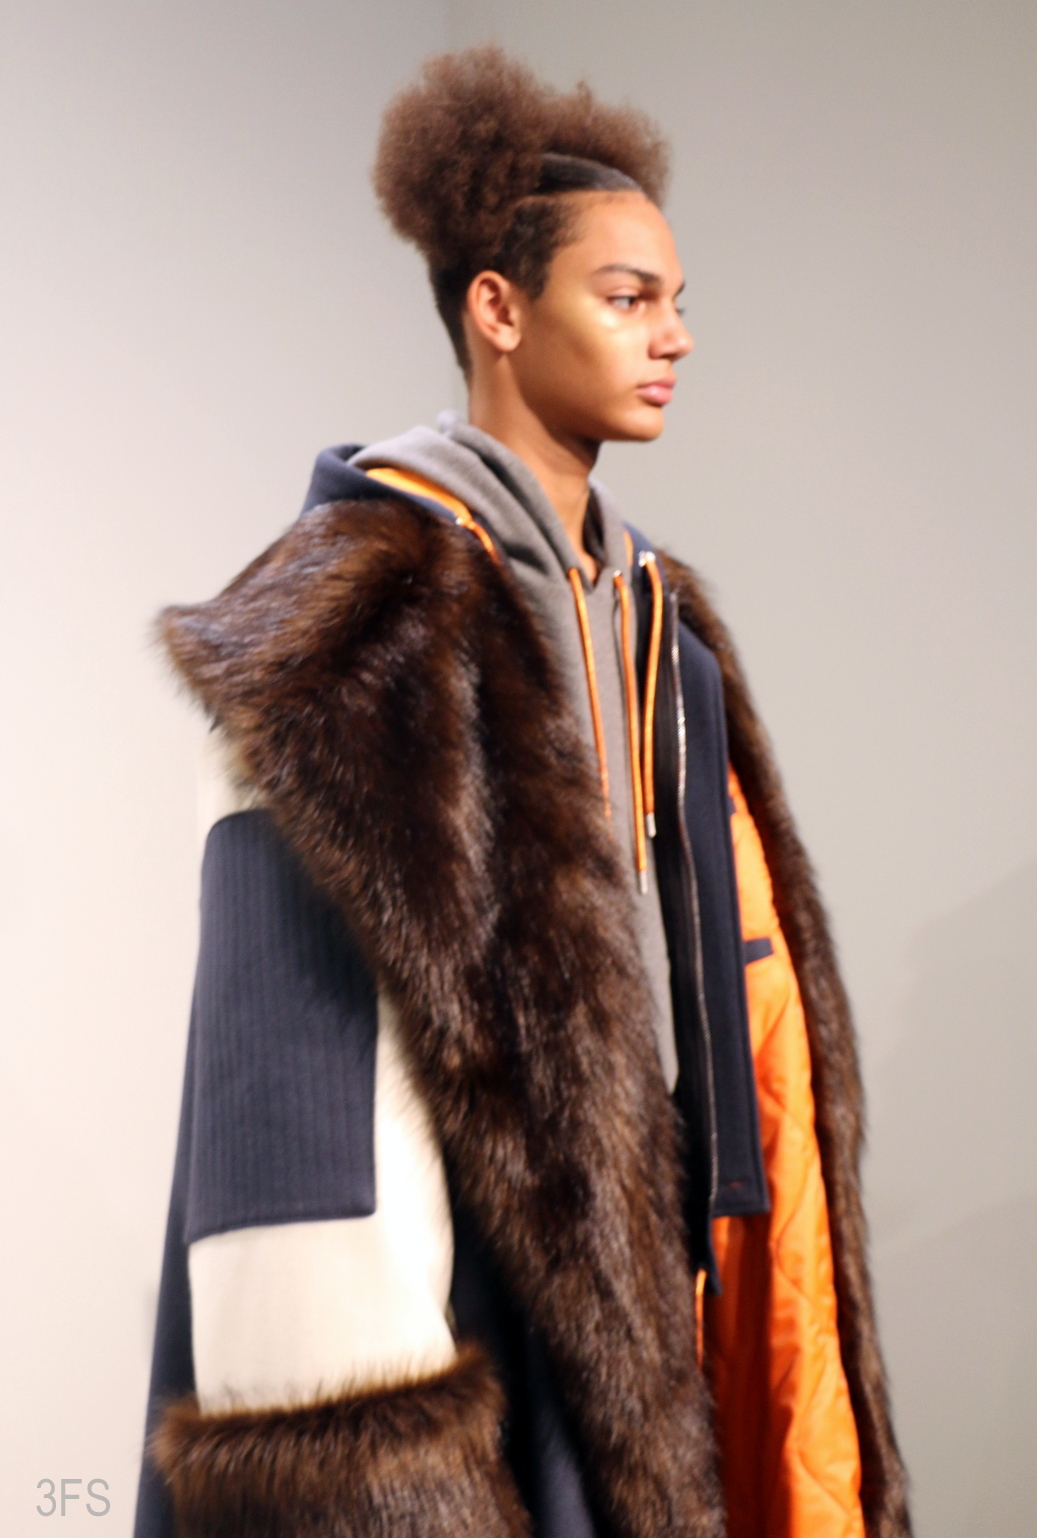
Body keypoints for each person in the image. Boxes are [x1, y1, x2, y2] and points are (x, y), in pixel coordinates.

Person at [135, 47, 910, 1538]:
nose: (675, 335)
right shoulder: (355, 628)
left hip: (650, 1315)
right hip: (468, 1325)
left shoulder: (661, 631)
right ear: (498, 308)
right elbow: (292, 1097)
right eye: (629, 298)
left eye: (677, 301)